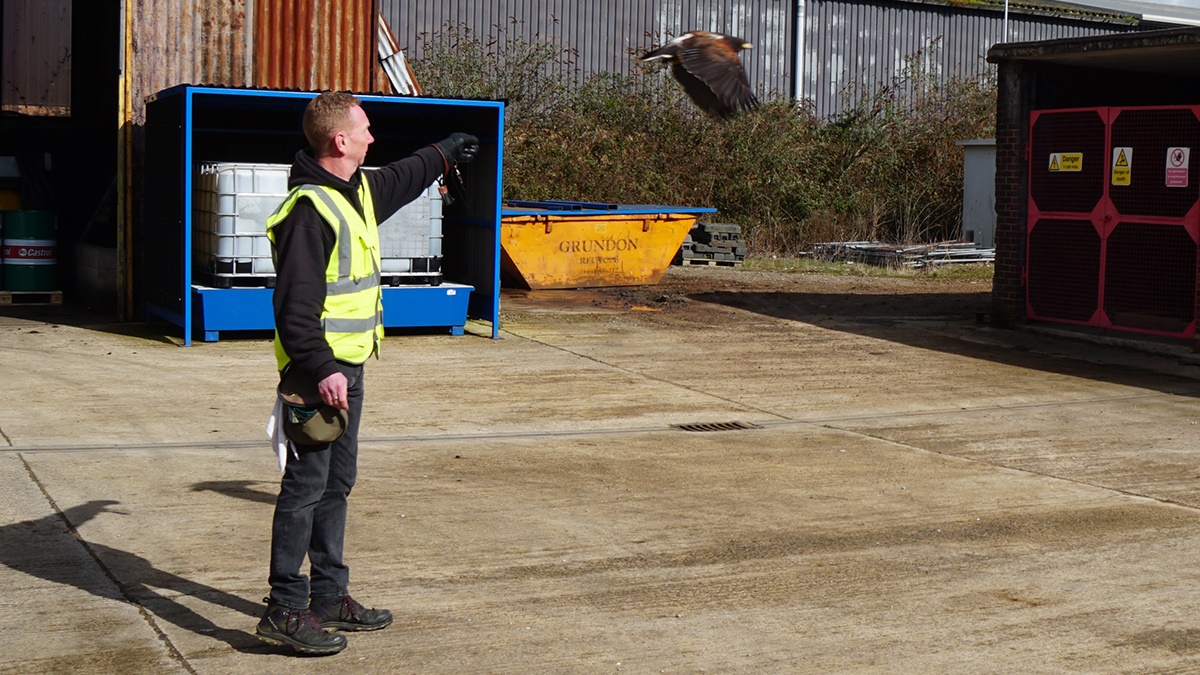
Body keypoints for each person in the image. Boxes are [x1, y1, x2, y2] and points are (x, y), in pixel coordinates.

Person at [256, 91, 479, 655]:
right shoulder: (311, 211)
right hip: (316, 375)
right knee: (304, 489)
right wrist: (323, 367)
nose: (372, 138)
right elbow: (293, 308)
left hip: (347, 370)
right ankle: (285, 608)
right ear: (339, 141)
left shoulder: (353, 192)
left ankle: (329, 597)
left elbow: (403, 177)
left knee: (337, 484)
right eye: (365, 130)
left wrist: (444, 153)